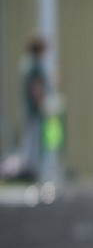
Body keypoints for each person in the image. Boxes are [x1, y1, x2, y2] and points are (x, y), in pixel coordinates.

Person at [17, 35, 49, 182]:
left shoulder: (26, 64)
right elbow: (36, 88)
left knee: (28, 140)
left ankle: (28, 169)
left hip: (27, 109)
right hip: (34, 110)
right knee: (33, 141)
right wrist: (41, 103)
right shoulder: (35, 66)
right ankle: (30, 171)